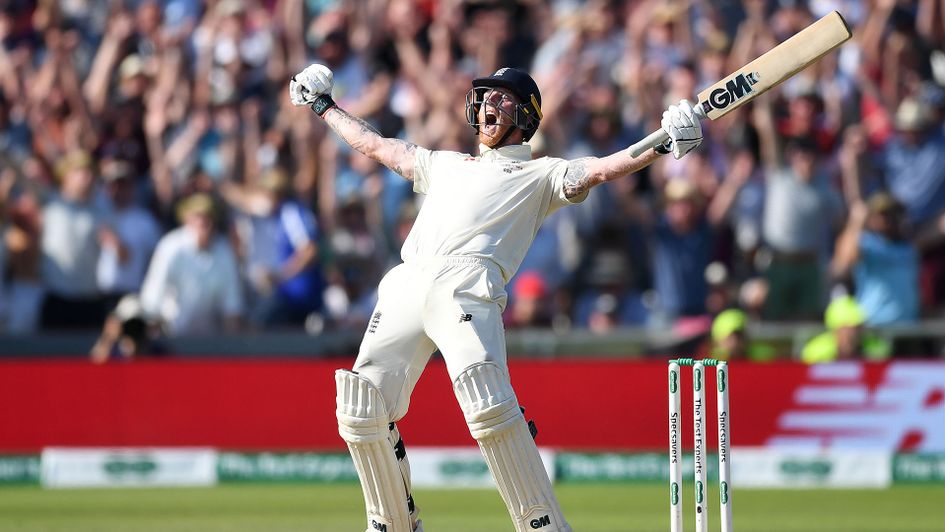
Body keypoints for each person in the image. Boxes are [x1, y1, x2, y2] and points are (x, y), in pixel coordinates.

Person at [290, 64, 703, 531]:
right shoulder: (443, 163)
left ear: (526, 114)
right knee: (360, 406)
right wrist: (323, 106)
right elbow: (378, 146)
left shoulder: (542, 173)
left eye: (503, 99)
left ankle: (541, 524)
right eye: (486, 96)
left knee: (486, 401)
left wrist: (663, 143)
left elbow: (605, 167)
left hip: (468, 285)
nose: (489, 104)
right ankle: (392, 525)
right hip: (407, 279)